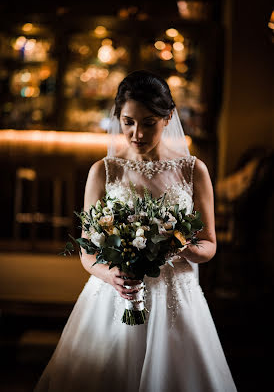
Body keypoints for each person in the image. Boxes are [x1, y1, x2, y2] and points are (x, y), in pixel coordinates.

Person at [34, 70, 237, 391]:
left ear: (168, 117)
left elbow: (209, 245)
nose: (136, 133)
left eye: (148, 123)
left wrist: (179, 243)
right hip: (116, 294)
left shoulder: (193, 170)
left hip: (176, 297)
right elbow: (88, 252)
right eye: (128, 122)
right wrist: (109, 275)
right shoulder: (103, 171)